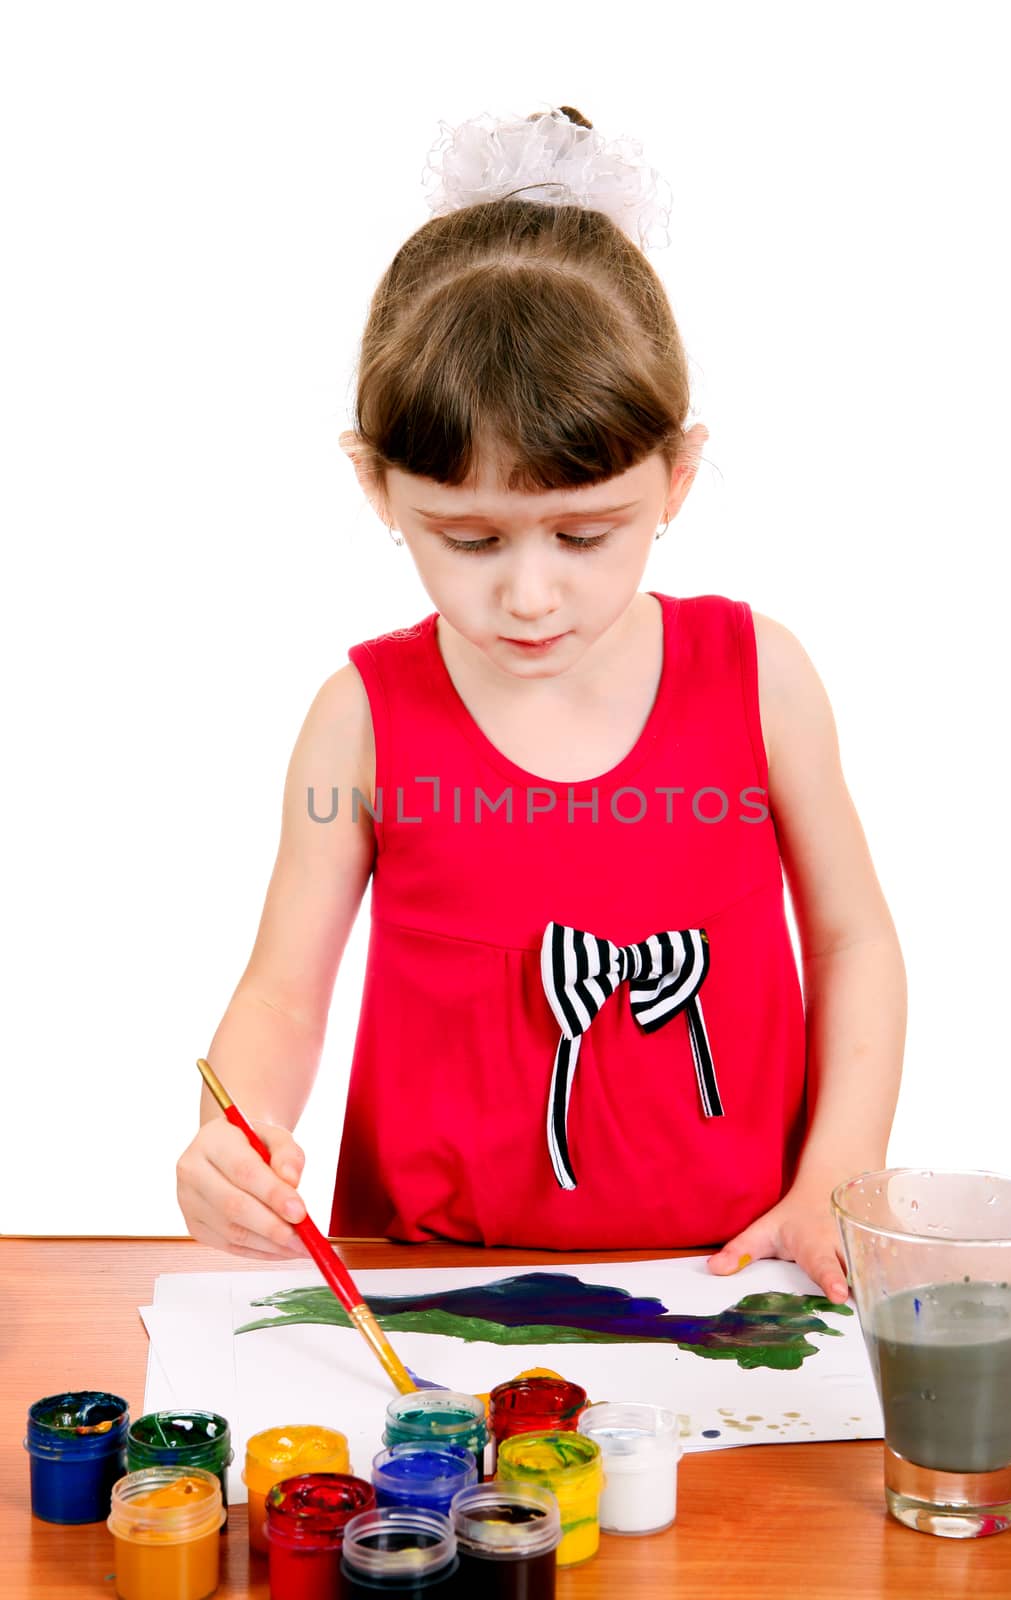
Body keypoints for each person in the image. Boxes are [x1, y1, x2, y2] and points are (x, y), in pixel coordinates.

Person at [177, 105, 906, 1304]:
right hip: (425, 1286)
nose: (527, 594)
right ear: (376, 485)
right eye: (466, 538)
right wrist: (235, 1138)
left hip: (728, 1271)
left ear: (675, 475)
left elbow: (851, 938)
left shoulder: (758, 676)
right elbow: (282, 990)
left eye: (584, 532)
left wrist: (838, 1169)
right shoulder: (359, 718)